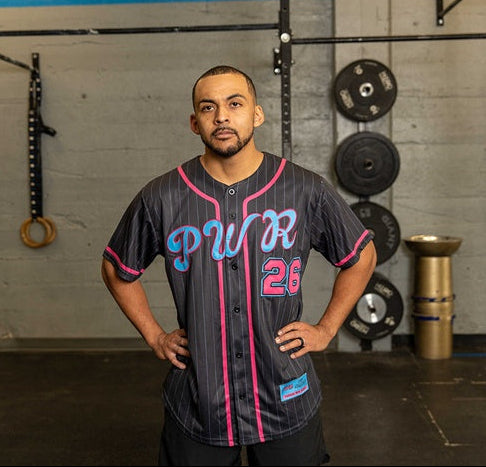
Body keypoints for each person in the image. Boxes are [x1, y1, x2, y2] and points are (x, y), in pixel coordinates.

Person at [101, 65, 377, 466]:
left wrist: (327, 329)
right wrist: (156, 336)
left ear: (256, 114)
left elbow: (361, 255)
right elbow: (117, 268)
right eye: (208, 107)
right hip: (199, 398)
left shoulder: (304, 188)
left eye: (234, 104)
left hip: (284, 390)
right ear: (195, 123)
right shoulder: (162, 195)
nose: (221, 117)